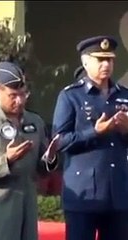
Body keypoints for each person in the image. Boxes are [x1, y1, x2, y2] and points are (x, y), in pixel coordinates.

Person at [0, 61, 60, 240]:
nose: (19, 100)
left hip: (28, 206)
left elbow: (41, 169)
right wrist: (6, 161)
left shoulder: (35, 122)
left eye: (23, 94)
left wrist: (51, 157)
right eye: (13, 95)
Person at [52, 35, 128, 240]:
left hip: (118, 195)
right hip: (84, 194)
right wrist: (95, 132)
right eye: (100, 59)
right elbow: (59, 141)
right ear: (85, 62)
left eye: (110, 59)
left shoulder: (125, 95)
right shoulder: (71, 96)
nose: (106, 64)